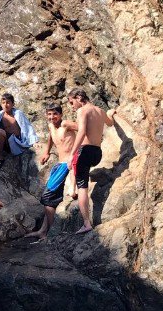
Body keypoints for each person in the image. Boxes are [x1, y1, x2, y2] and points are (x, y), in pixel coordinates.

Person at [24, 104, 78, 242]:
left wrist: (78, 153)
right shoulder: (51, 126)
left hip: (68, 163)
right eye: (49, 114)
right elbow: (50, 137)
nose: (52, 117)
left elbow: (83, 129)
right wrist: (47, 152)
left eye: (55, 114)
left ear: (60, 114)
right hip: (60, 164)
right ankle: (43, 231)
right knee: (50, 199)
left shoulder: (65, 124)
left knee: (47, 196)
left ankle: (47, 232)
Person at [66, 88, 116, 234]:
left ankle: (87, 223)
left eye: (72, 102)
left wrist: (72, 154)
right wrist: (111, 113)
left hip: (85, 152)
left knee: (82, 187)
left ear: (79, 97)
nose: (72, 106)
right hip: (97, 153)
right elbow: (110, 123)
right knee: (82, 178)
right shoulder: (100, 111)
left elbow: (81, 132)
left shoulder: (82, 111)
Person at [0, 92, 38, 169]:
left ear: (13, 104)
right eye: (3, 103)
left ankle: (0, 157)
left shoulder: (18, 114)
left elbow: (27, 127)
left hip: (15, 142)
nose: (5, 105)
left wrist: (34, 141)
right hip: (3, 141)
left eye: (8, 102)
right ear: (1, 104)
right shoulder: (0, 114)